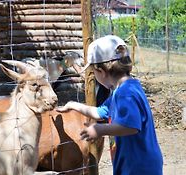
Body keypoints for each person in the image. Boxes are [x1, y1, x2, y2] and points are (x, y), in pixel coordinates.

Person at [56, 35, 163, 175]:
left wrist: (100, 129)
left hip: (139, 167)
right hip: (131, 163)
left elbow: (131, 126)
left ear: (101, 72)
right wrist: (72, 105)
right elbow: (99, 112)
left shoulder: (126, 93)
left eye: (93, 72)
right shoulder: (123, 90)